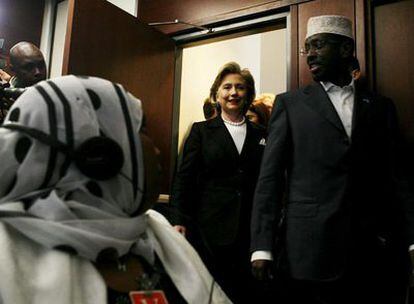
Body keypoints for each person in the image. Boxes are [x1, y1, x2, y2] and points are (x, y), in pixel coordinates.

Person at [0, 75, 231, 304]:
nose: (158, 151)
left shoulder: (158, 228)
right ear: (99, 156)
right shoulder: (7, 254)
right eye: (144, 131)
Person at [250, 15, 413, 304]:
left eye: (318, 45)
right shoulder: (290, 104)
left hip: (371, 251)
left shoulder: (379, 106)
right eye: (307, 47)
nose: (310, 54)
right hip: (309, 250)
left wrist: (411, 237)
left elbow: (398, 177)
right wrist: (262, 246)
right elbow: (270, 179)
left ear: (345, 50)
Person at [171, 62, 267, 303]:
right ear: (217, 94)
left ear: (249, 95)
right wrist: (179, 220)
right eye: (227, 87)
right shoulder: (201, 131)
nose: (233, 92)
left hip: (250, 230)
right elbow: (184, 178)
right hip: (208, 228)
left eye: (240, 87)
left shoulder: (263, 134)